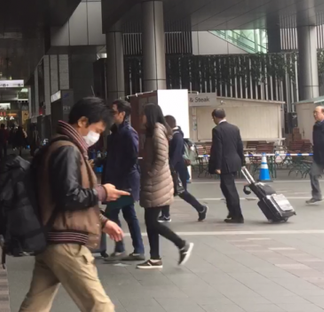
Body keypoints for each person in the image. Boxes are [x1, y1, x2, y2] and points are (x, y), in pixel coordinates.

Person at [19, 97, 125, 312]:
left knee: (35, 306)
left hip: (51, 239)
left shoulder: (60, 145)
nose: (97, 136)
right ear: (83, 122)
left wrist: (102, 221)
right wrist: (103, 191)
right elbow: (68, 196)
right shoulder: (67, 150)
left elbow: (62, 194)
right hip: (66, 241)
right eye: (97, 129)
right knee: (100, 307)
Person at [137, 103, 194, 270]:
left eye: (143, 115)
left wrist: (151, 173)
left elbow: (161, 157)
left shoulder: (157, 131)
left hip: (157, 182)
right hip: (155, 182)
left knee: (152, 221)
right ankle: (155, 258)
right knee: (150, 220)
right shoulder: (153, 132)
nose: (142, 118)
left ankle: (181, 244)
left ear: (150, 115)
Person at [102, 100, 145, 262]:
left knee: (112, 212)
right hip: (117, 180)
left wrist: (121, 176)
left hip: (124, 182)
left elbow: (132, 157)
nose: (111, 115)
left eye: (113, 112)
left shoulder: (128, 133)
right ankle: (136, 249)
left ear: (122, 114)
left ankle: (121, 248)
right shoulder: (116, 133)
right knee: (128, 214)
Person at [160, 115, 207, 223]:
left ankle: (200, 208)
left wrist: (170, 167)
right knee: (170, 191)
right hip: (177, 167)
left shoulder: (176, 137)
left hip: (177, 168)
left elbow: (176, 155)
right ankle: (165, 214)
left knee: (180, 192)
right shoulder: (176, 135)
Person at [209, 108, 245, 223]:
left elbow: (218, 149)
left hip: (225, 163)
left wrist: (218, 167)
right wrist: (242, 161)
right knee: (225, 187)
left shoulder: (217, 130)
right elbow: (240, 146)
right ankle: (232, 212)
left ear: (215, 117)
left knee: (230, 189)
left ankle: (237, 215)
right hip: (235, 161)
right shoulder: (235, 128)